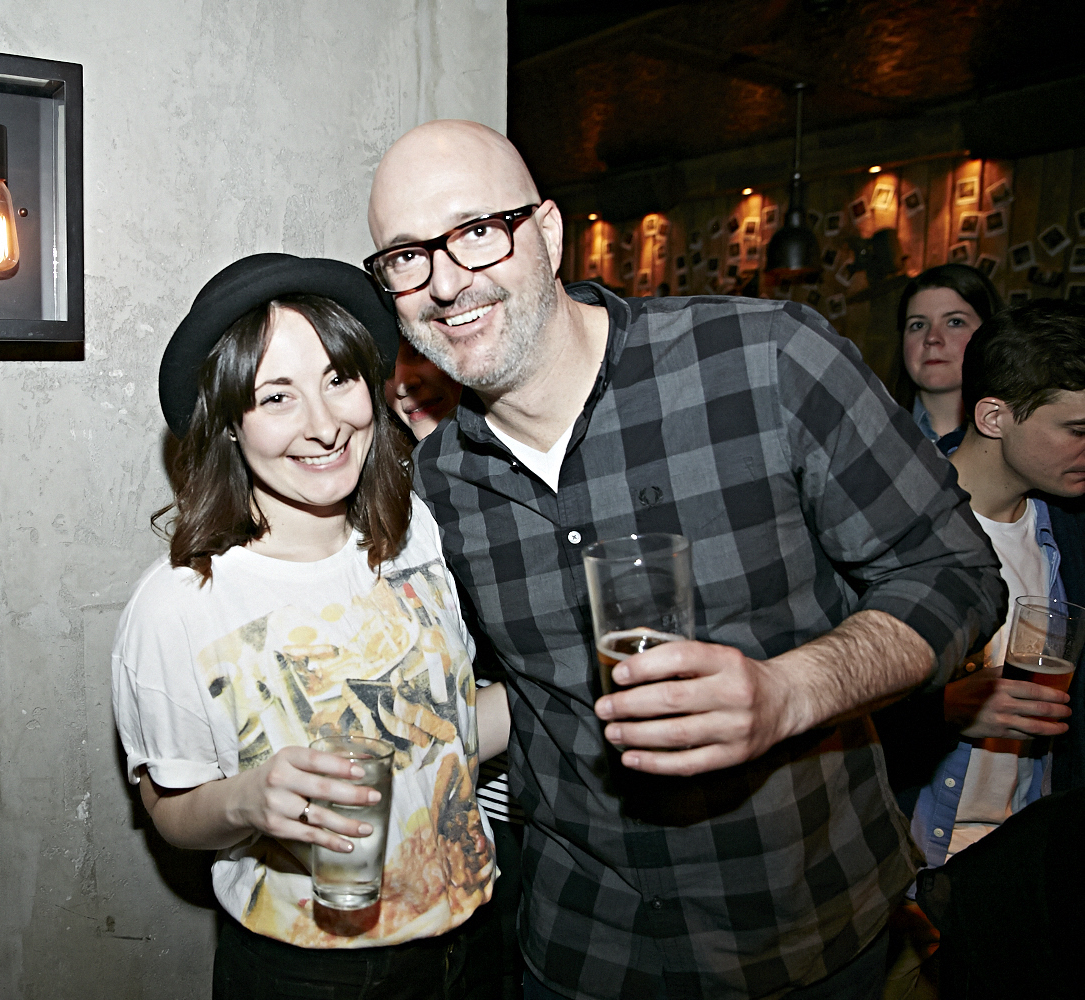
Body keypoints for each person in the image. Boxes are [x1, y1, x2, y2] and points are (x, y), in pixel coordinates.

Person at [364, 120, 1006, 1000]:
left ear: (548, 233)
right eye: (406, 256)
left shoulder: (767, 360)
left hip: (804, 933)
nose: (446, 281)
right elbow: (501, 692)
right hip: (583, 949)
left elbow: (955, 573)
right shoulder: (439, 482)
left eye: (478, 232)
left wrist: (790, 692)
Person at [111, 253, 508, 1000]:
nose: (324, 426)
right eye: (276, 397)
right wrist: (247, 801)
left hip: (477, 938)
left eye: (337, 379)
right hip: (311, 972)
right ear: (229, 423)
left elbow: (447, 733)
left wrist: (572, 681)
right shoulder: (179, 605)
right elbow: (168, 810)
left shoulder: (414, 532)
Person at [909, 299, 1085, 869]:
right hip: (902, 865)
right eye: (1077, 430)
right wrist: (939, 711)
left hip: (1019, 864)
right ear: (992, 418)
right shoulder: (894, 524)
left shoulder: (1071, 530)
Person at [386, 338, 526, 1000]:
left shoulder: (521, 482)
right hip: (455, 819)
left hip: (545, 811)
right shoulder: (388, 505)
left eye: (422, 352)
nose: (408, 379)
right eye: (390, 363)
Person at [892, 263, 1002, 454]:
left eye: (955, 322)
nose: (932, 338)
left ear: (990, 334)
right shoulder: (874, 436)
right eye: (918, 325)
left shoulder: (1021, 445)